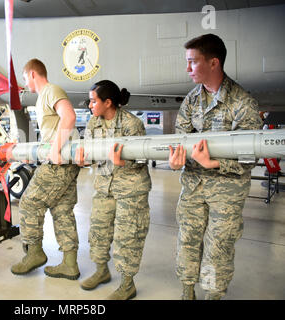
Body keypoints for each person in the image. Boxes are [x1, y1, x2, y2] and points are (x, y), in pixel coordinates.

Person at [168, 34, 263, 299]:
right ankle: (187, 291)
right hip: (194, 187)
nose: (187, 69)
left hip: (227, 191)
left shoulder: (243, 103)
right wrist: (177, 162)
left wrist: (215, 163)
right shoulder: (191, 101)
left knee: (217, 247)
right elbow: (182, 141)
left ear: (213, 62)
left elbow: (250, 157)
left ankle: (212, 295)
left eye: (192, 62)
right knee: (187, 240)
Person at [76, 80, 151, 300]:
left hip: (131, 190)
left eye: (93, 101)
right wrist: (84, 161)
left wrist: (123, 162)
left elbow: (142, 158)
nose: (90, 105)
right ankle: (102, 271)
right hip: (104, 187)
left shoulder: (131, 124)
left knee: (127, 237)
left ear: (108, 102)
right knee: (98, 232)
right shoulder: (93, 123)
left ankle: (128, 284)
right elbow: (91, 154)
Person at [11, 59, 81, 280]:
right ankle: (70, 264)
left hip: (58, 163)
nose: (25, 84)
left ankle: (35, 253)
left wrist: (55, 149)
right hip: (67, 163)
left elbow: (69, 116)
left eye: (24, 79)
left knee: (30, 202)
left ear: (32, 74)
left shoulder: (50, 90)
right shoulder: (44, 96)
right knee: (62, 210)